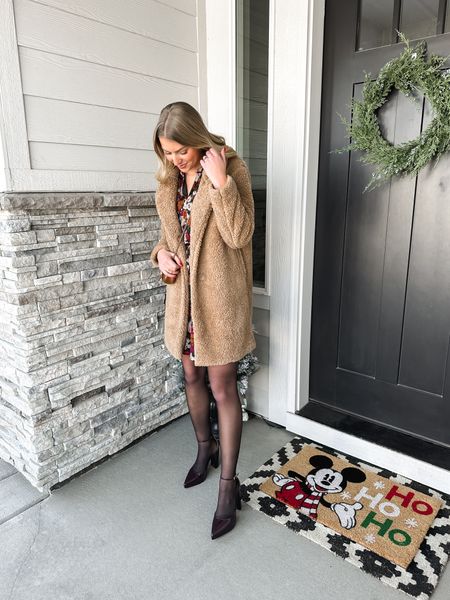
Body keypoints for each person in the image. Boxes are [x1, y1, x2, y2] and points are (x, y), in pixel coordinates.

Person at [150, 102, 256, 539]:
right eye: (167, 153)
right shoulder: (171, 180)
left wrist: (221, 183)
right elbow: (168, 236)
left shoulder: (231, 168)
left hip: (220, 302)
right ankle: (203, 449)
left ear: (197, 138)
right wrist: (162, 256)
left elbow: (240, 234)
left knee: (221, 386)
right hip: (185, 303)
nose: (175, 159)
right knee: (191, 377)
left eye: (180, 151)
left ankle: (229, 486)